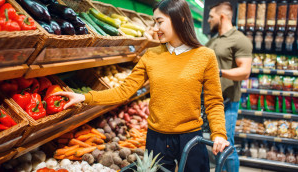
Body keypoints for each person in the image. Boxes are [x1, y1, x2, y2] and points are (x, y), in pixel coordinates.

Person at [54, 0, 229, 171]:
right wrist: (85, 97)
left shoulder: (205, 56)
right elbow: (123, 92)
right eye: (154, 22)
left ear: (180, 19)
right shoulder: (151, 56)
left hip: (191, 138)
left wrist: (219, 134)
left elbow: (213, 102)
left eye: (160, 22)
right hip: (157, 139)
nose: (155, 28)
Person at [206, 2, 253, 172]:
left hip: (228, 102)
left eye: (211, 17)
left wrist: (219, 72)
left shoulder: (240, 39)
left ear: (222, 17)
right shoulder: (213, 40)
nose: (209, 20)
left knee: (226, 145)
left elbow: (245, 71)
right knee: (215, 145)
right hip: (211, 102)